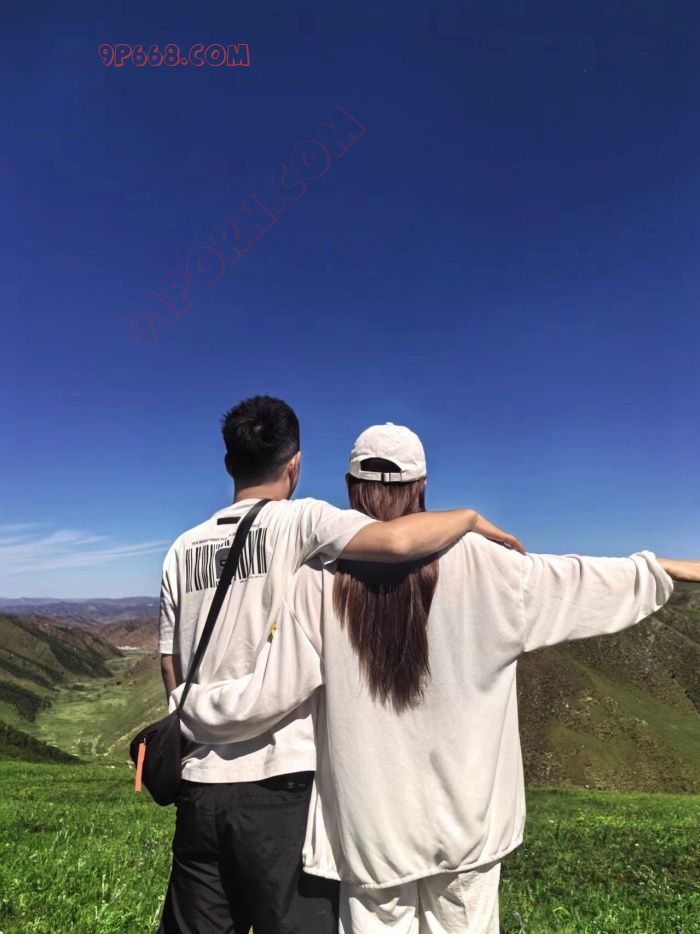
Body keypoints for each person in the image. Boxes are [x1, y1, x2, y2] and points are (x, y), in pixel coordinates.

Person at [172, 422, 700, 934]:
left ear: (351, 487)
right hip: (468, 824)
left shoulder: (317, 579)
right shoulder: (491, 565)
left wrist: (188, 706)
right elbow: (585, 580)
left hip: (369, 829)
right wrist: (661, 569)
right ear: (421, 485)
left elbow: (268, 694)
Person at [157, 399, 523, 934]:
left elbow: (170, 664)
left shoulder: (180, 549)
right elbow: (396, 539)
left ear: (229, 462)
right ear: (295, 464)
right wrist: (468, 518)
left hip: (198, 783)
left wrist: (199, 725)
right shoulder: (303, 520)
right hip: (281, 782)